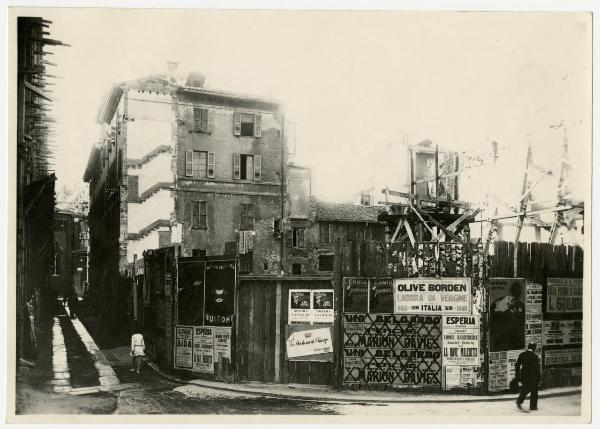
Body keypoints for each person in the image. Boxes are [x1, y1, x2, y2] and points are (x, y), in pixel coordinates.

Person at [515, 343, 541, 412]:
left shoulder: (522, 354)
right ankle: (533, 406)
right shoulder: (534, 356)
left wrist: (517, 375)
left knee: (526, 389)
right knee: (534, 391)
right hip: (533, 376)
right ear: (534, 348)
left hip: (524, 376)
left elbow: (517, 365)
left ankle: (519, 401)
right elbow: (537, 368)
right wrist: (539, 378)